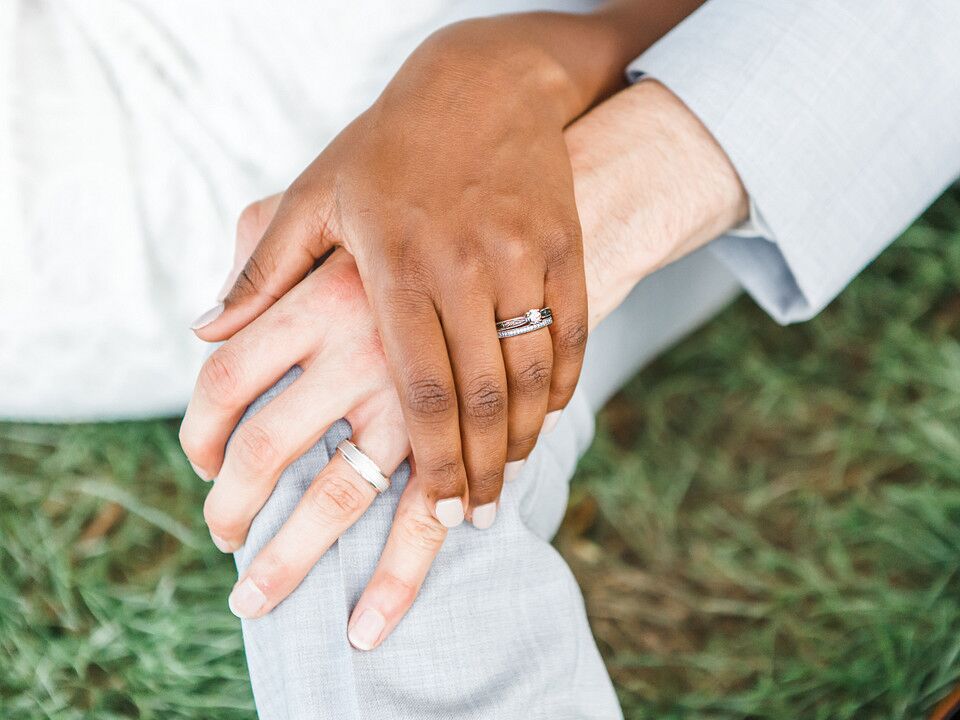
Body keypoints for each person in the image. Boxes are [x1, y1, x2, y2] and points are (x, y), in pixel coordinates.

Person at [177, 0, 960, 716]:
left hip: (682, 57)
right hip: (172, 125)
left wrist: (566, 100)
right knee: (363, 394)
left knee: (389, 399)